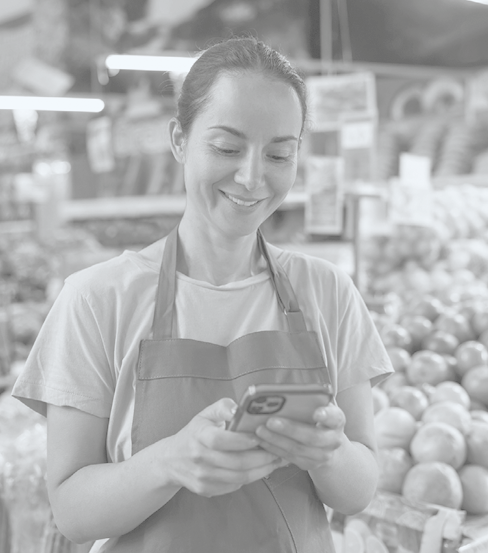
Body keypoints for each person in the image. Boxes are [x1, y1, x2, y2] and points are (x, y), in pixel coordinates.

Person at [12, 37, 393, 552]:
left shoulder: (327, 291)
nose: (252, 177)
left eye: (279, 153)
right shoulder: (96, 299)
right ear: (178, 140)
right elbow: (72, 513)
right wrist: (170, 462)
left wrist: (328, 453)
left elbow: (360, 489)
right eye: (227, 148)